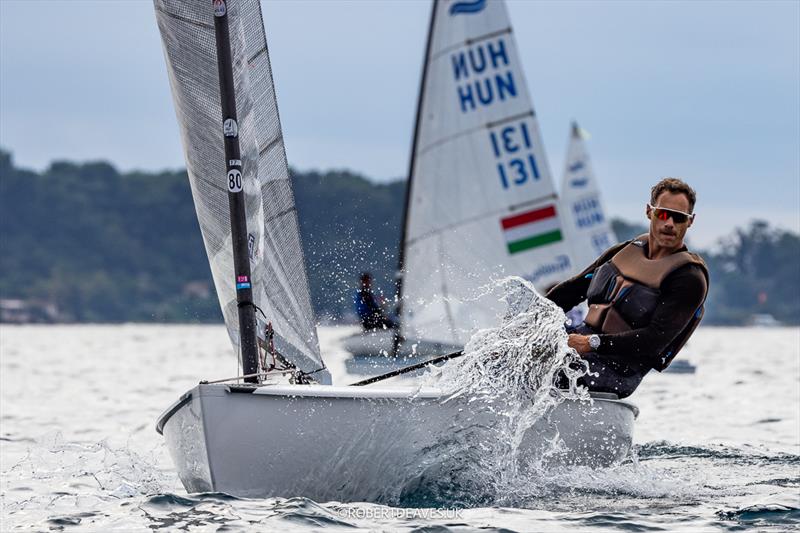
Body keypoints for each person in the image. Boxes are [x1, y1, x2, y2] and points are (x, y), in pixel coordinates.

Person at [546, 177, 709, 398]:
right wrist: (528, 324)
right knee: (505, 356)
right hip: (580, 343)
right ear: (649, 211)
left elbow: (654, 340)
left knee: (547, 371)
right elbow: (573, 290)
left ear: (690, 222)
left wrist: (591, 343)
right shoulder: (622, 253)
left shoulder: (689, 278)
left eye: (679, 217)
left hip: (619, 369)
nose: (669, 223)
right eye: (662, 214)